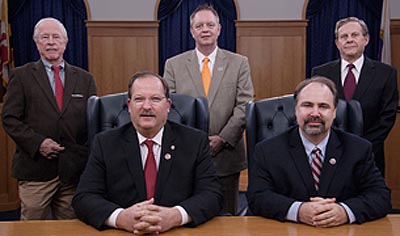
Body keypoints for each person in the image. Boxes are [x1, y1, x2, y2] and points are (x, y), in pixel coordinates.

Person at [72, 71, 222, 234]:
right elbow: (84, 197)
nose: (147, 106)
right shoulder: (105, 143)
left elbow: (212, 194)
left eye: (155, 99)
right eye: (139, 99)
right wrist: (120, 218)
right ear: (129, 106)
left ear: (168, 106)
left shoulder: (194, 141)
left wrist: (175, 216)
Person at [247, 77, 391, 227]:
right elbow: (257, 197)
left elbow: (380, 196)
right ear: (296, 110)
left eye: (323, 106)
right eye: (307, 105)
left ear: (334, 112)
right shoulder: (267, 150)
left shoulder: (358, 149)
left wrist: (345, 211)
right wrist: (298, 210)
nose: (315, 113)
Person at [1, 17, 97, 220]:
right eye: (45, 37)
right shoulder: (21, 76)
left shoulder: (85, 79)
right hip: (35, 169)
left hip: (73, 172)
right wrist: (38, 143)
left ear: (65, 42)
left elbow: (93, 122)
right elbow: (10, 119)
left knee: (71, 228)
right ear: (37, 43)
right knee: (33, 228)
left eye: (56, 37)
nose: (51, 42)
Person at [163, 4, 254, 216]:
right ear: (192, 31)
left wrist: (222, 138)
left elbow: (245, 105)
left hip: (227, 154)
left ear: (219, 29)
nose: (205, 29)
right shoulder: (173, 65)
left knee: (227, 217)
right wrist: (195, 141)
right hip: (184, 155)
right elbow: (170, 107)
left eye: (210, 25)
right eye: (199, 25)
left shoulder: (239, 63)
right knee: (189, 215)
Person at [311, 17, 398, 176]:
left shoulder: (386, 74)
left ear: (366, 39)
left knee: (369, 199)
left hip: (370, 153)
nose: (349, 40)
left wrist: (362, 145)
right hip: (328, 152)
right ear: (337, 43)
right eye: (344, 37)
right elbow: (315, 111)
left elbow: (387, 116)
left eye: (354, 35)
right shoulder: (320, 73)